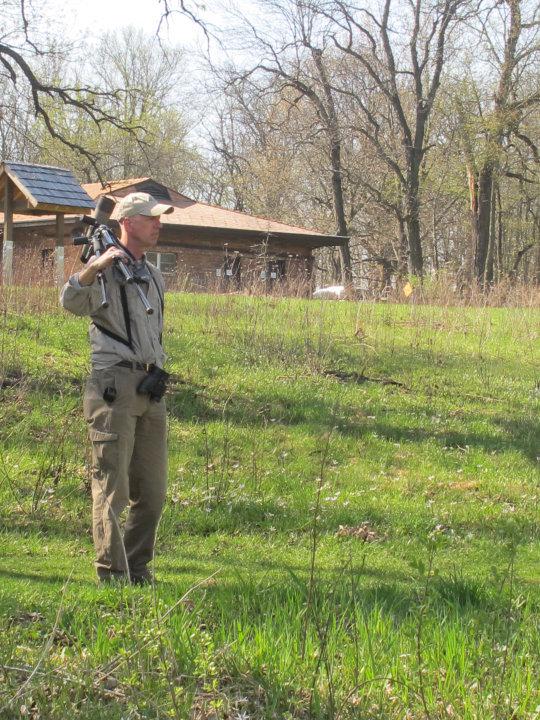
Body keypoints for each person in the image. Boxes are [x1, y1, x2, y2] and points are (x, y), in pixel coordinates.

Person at [60, 192, 174, 584]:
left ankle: (138, 568)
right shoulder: (104, 269)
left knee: (153, 491)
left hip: (150, 385)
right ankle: (112, 573)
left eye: (159, 218)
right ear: (127, 222)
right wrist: (93, 268)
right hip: (113, 385)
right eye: (150, 218)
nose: (158, 224)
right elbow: (71, 302)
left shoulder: (154, 275)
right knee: (113, 486)